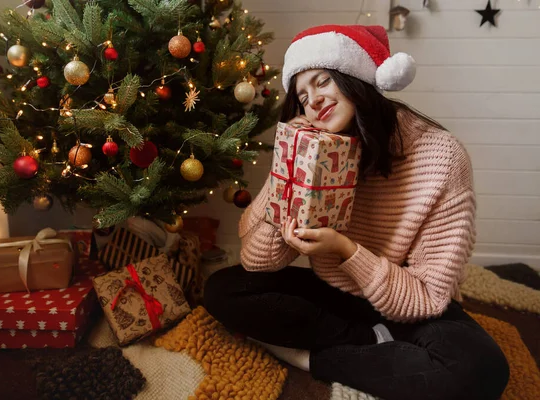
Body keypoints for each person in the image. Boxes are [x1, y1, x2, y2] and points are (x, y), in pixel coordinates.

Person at [204, 25, 510, 400]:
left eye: (323, 82)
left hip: (410, 306)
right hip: (338, 302)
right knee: (222, 288)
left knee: (481, 371)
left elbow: (427, 298)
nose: (313, 101)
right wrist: (288, 165)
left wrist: (344, 249)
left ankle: (312, 359)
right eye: (302, 96)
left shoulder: (441, 157)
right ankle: (369, 344)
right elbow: (257, 263)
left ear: (356, 79)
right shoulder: (316, 148)